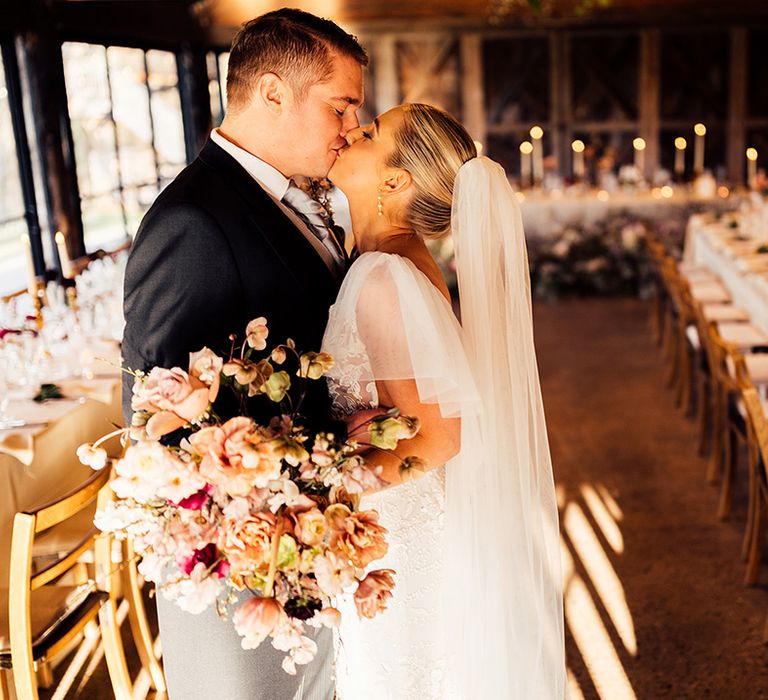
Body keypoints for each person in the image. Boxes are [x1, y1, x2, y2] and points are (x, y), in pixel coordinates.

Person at [121, 9, 366, 699]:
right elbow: (161, 424)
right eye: (340, 107)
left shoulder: (293, 200)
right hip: (235, 568)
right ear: (272, 93)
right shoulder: (194, 220)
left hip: (297, 544)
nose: (349, 130)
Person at [321, 104, 567, 698]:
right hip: (393, 524)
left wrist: (322, 492)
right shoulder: (383, 264)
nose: (353, 130)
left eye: (371, 132)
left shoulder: (385, 276)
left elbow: (438, 436)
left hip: (399, 534)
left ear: (395, 181)